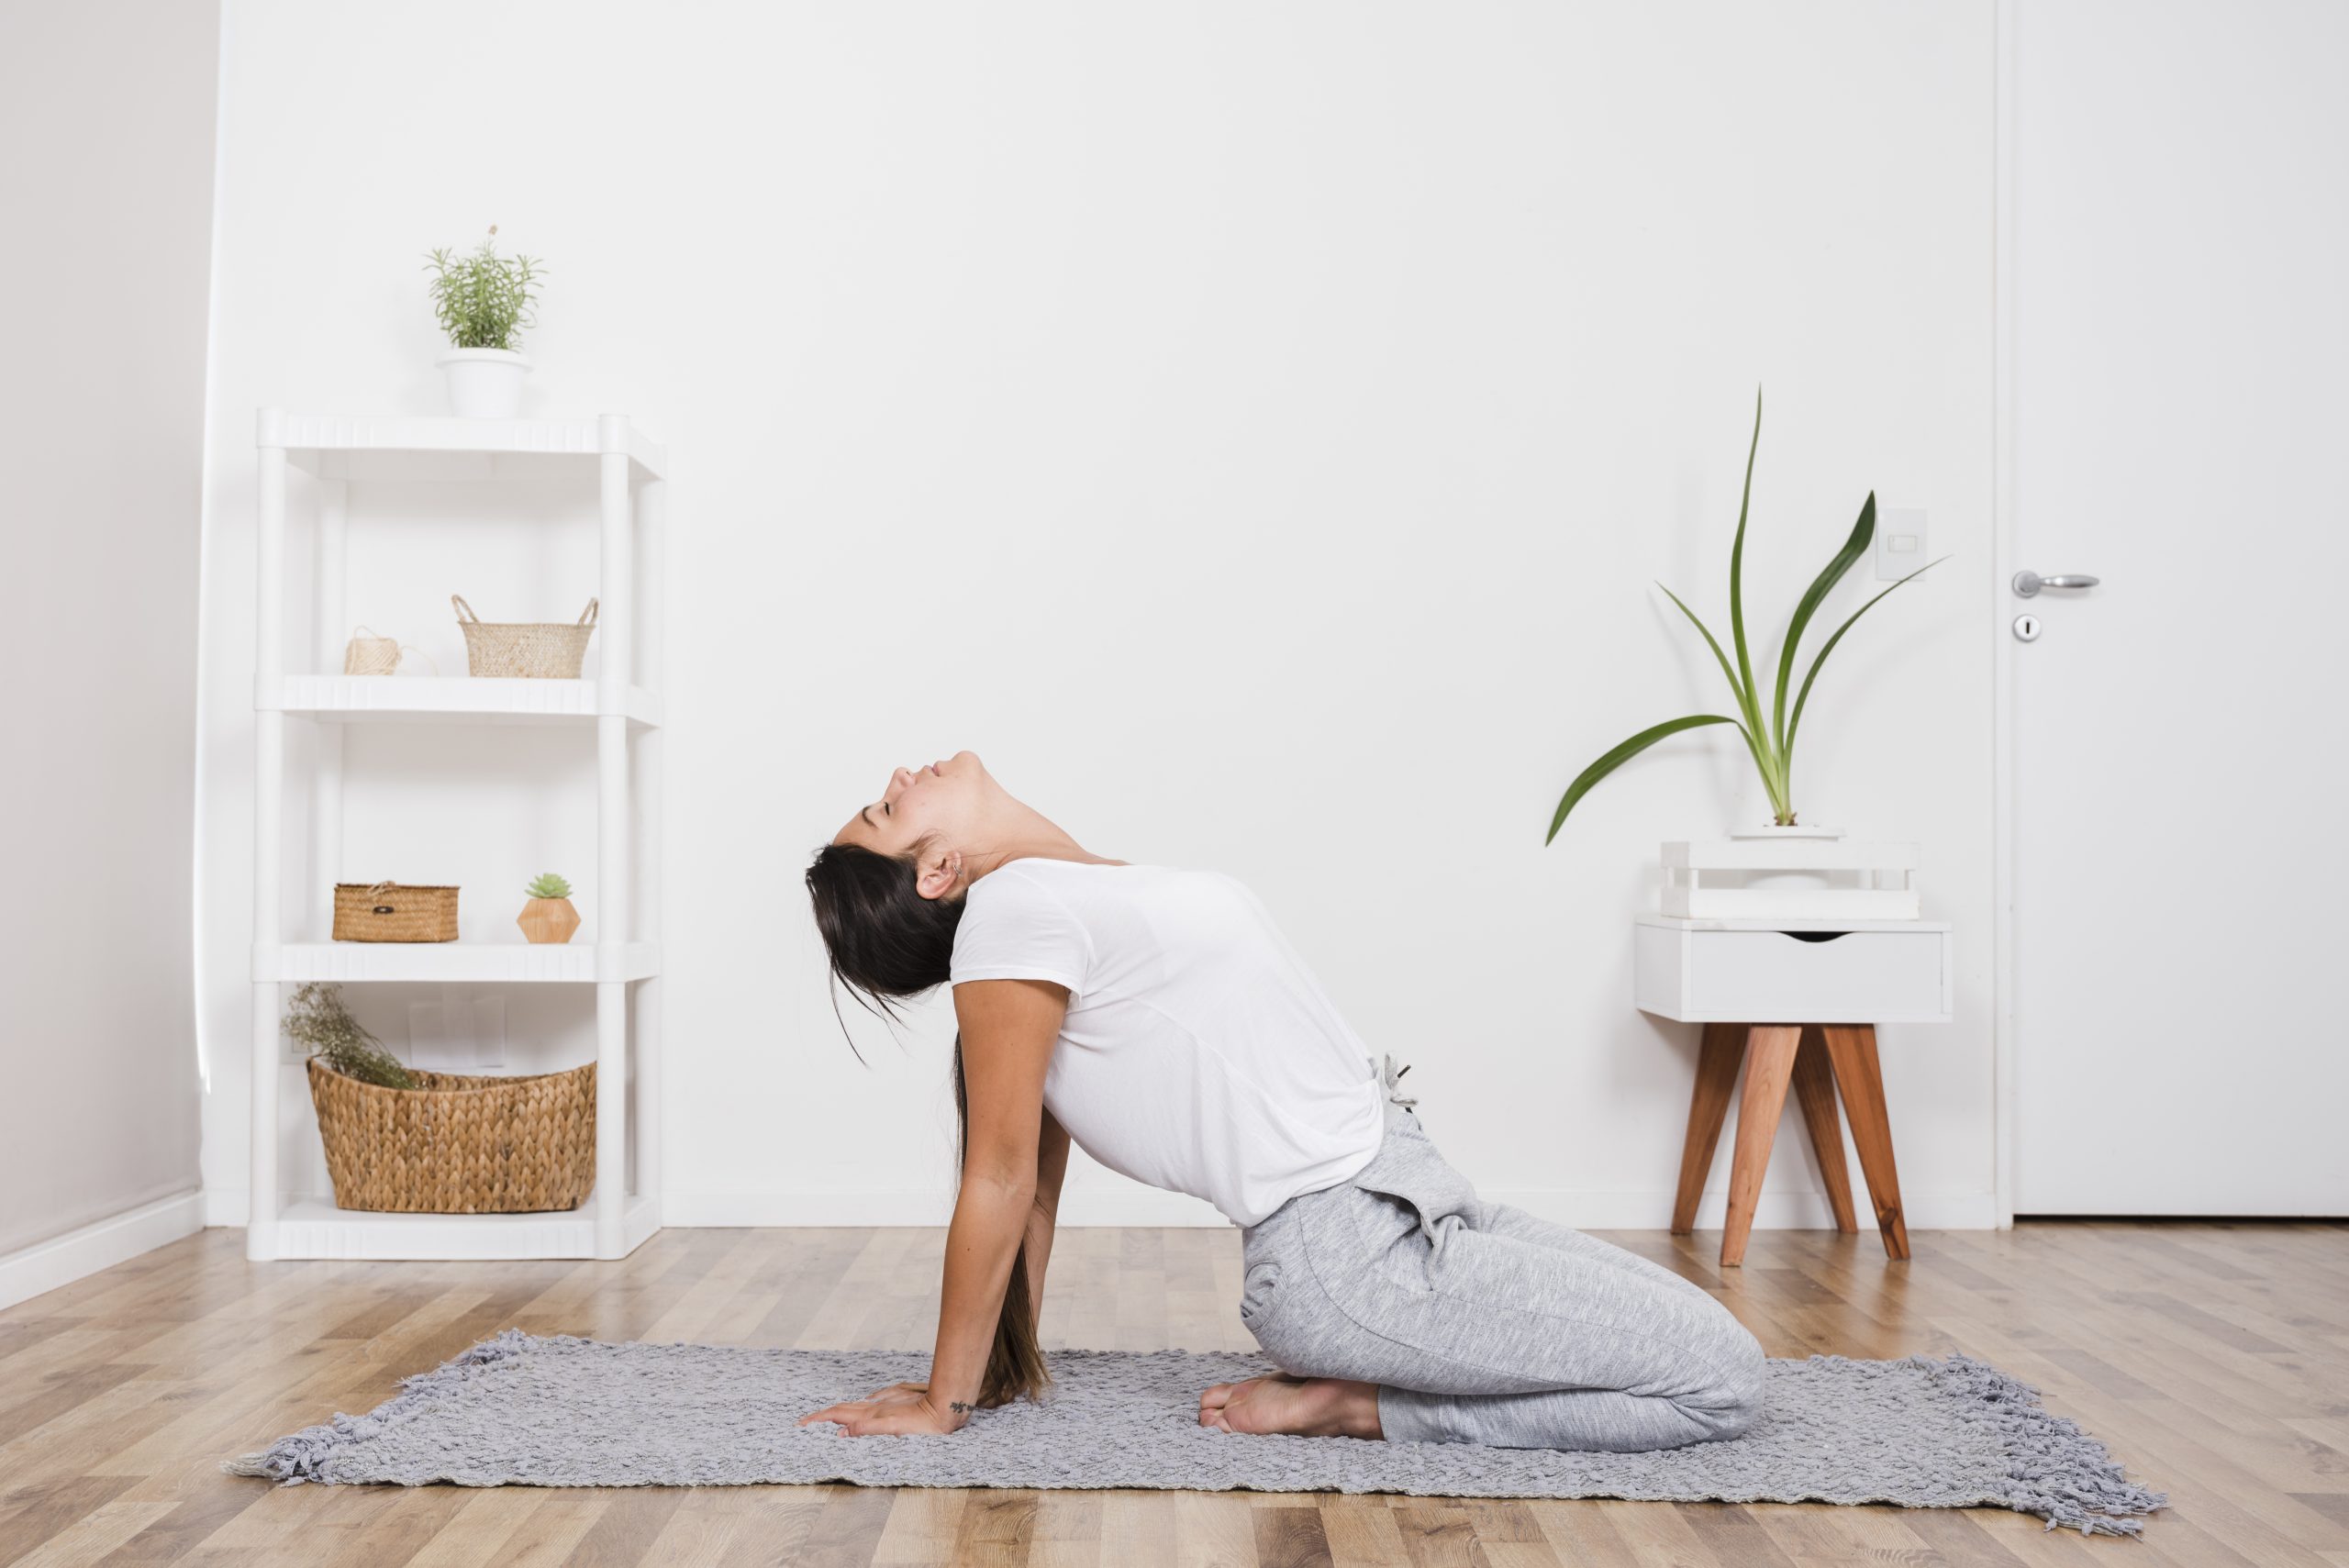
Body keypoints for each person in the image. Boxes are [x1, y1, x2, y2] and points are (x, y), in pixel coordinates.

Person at [796, 751, 1767, 1450]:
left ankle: (1368, 1389)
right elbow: (1005, 1176)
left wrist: (1001, 1367)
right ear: (937, 870)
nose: (894, 777)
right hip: (1344, 1256)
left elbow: (1032, 1190)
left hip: (1414, 1193)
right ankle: (1362, 1407)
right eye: (884, 810)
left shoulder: (1061, 895)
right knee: (1720, 1379)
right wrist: (947, 1396)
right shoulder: (1012, 917)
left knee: (1698, 1341)